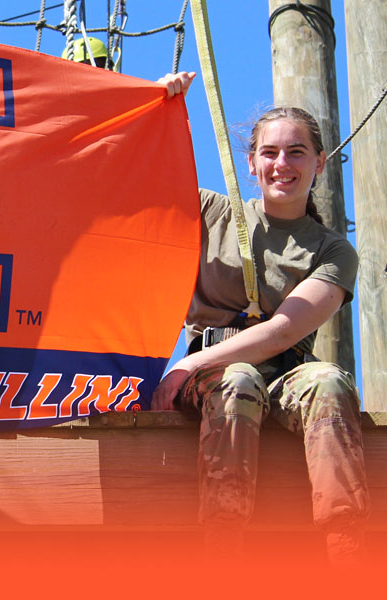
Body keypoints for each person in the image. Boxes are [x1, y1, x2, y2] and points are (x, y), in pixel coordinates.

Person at [151, 72, 370, 563]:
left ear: (319, 162)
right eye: (269, 153)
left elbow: (286, 328)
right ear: (251, 163)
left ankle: (348, 546)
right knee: (238, 379)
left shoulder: (332, 250)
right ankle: (223, 550)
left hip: (285, 374)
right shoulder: (211, 213)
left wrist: (187, 365)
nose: (282, 164)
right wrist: (159, 110)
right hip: (215, 378)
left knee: (330, 380)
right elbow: (133, 177)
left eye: (296, 152)